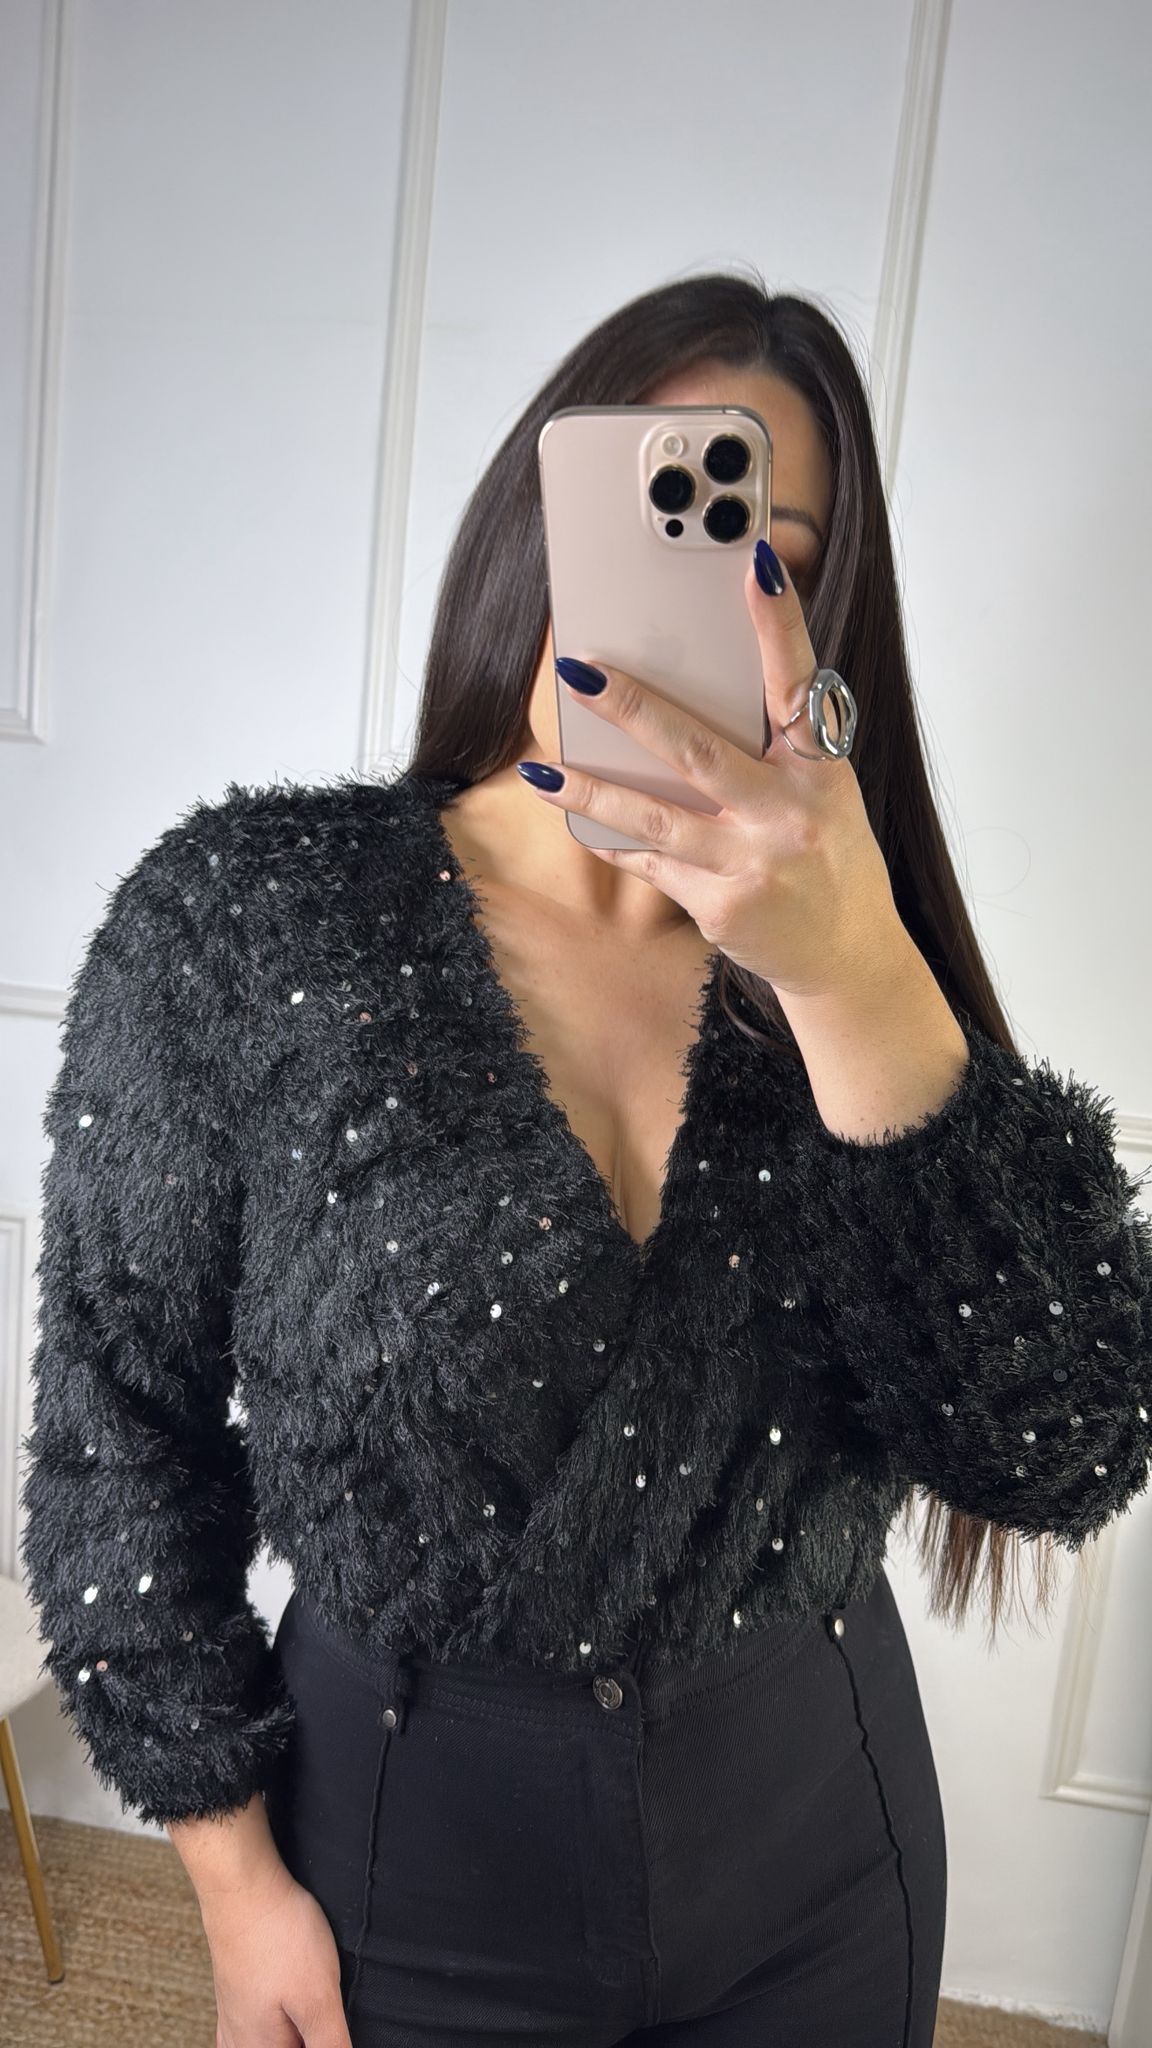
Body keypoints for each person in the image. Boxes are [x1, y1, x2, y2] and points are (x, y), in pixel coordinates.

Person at [20, 273, 1151, 2048]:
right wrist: (234, 1894)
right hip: (405, 1849)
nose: (685, 595)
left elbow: (1061, 1444)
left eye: (759, 550)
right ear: (525, 533)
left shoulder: (859, 973)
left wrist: (852, 972)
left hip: (818, 1843)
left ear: (820, 627)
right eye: (645, 522)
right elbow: (118, 1435)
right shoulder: (243, 926)